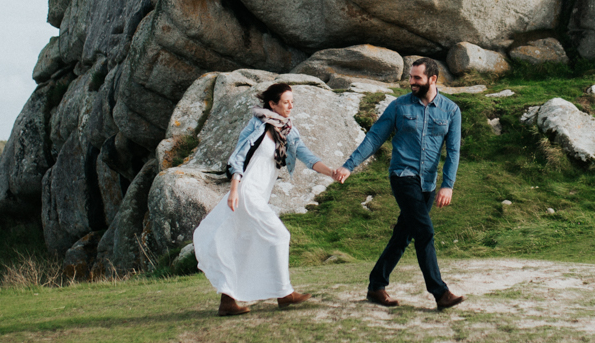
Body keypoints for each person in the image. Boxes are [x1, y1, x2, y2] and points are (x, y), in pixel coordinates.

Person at [194, 82, 344, 317]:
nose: (291, 106)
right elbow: (238, 158)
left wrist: (331, 171)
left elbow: (306, 155)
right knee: (279, 235)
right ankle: (284, 294)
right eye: (286, 102)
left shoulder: (287, 130)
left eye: (292, 101)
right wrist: (234, 189)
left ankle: (228, 301)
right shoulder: (257, 125)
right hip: (245, 192)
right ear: (272, 104)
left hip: (258, 196)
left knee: (242, 244)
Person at [337, 58, 466, 311]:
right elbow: (374, 138)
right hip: (402, 175)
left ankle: (376, 285)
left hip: (428, 183)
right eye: (410, 77)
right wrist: (348, 165)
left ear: (433, 79)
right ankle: (440, 293)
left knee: (403, 235)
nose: (411, 82)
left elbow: (453, 151)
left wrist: (447, 185)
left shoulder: (451, 111)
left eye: (417, 78)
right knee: (424, 232)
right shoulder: (399, 106)